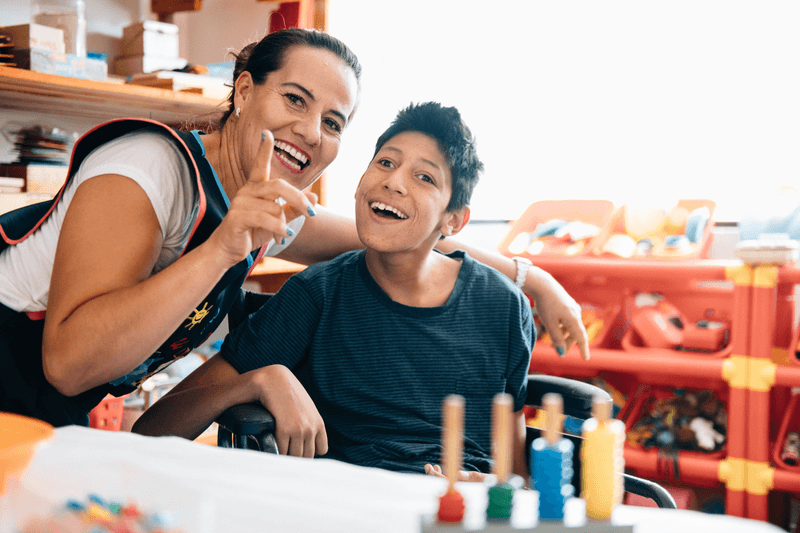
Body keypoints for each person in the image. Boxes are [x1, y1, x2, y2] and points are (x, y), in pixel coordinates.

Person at [0, 27, 586, 431]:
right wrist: (224, 247)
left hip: (48, 410)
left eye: (332, 122)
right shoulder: (148, 169)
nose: (309, 131)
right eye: (295, 100)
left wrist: (532, 279)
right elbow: (70, 362)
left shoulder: (266, 209)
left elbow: (399, 236)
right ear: (246, 90)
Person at [133, 102, 534, 481]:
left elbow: (515, 470)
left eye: (424, 177)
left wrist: (503, 491)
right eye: (386, 162)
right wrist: (256, 381)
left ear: (454, 220)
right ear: (359, 184)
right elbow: (154, 427)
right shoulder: (316, 295)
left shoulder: (503, 307)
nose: (393, 182)